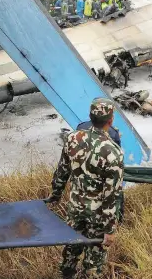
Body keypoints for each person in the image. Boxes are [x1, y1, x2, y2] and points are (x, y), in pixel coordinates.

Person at [47, 98, 124, 279]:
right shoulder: (113, 152)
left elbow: (61, 172)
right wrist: (110, 229)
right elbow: (112, 194)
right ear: (111, 121)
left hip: (75, 209)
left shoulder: (73, 138)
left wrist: (55, 196)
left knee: (70, 253)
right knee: (94, 262)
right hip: (98, 216)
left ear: (90, 117)